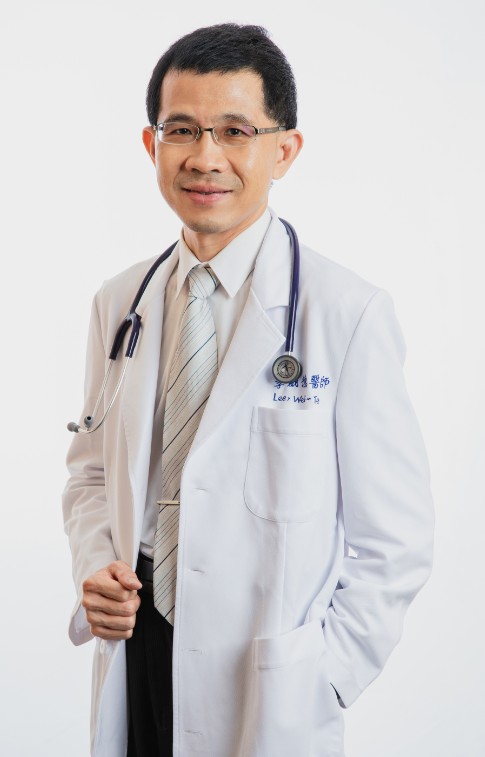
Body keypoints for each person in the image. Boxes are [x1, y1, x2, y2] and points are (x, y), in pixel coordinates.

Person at [63, 23, 434, 757]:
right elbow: (91, 474)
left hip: (267, 679)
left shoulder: (346, 313)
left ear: (283, 150)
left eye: (235, 131)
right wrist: (93, 566)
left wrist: (325, 677)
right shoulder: (120, 302)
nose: (205, 157)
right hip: (138, 646)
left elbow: (395, 540)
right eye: (182, 130)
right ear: (151, 145)